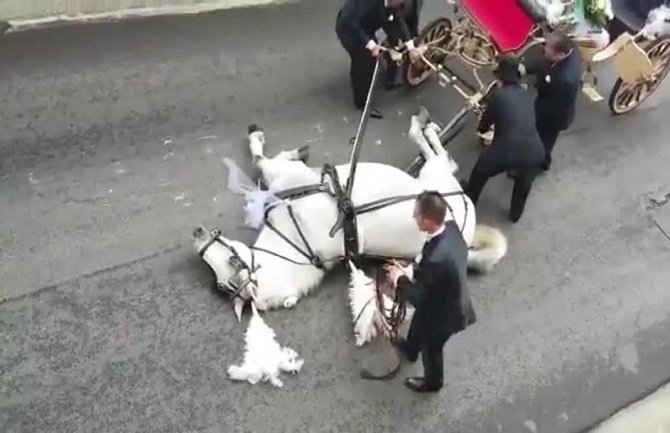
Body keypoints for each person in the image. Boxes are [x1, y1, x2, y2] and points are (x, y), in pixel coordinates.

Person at [385, 191, 476, 393]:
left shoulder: (437, 259)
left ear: (426, 221)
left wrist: (398, 278)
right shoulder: (450, 230)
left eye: (416, 215)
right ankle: (411, 349)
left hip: (444, 316)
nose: (413, 218)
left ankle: (433, 382)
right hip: (440, 299)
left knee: (432, 348)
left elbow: (417, 297)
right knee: (418, 324)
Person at [462, 54, 546, 223]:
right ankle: (516, 213)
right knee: (524, 182)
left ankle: (470, 200)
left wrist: (482, 129)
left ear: (499, 77)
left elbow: (485, 124)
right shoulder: (526, 95)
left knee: (481, 169)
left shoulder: (497, 96)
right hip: (535, 150)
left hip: (507, 150)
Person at [335, 0, 422, 119]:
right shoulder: (367, 3)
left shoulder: (394, 4)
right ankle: (361, 103)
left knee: (384, 46)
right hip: (349, 30)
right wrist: (371, 45)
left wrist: (411, 47)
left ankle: (385, 80)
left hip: (368, 24)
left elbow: (399, 18)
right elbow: (351, 23)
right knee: (363, 61)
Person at [521, 30, 582, 171]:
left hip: (553, 116)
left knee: (544, 141)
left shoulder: (564, 79)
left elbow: (551, 103)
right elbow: (544, 62)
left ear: (560, 55)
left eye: (548, 48)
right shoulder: (567, 51)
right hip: (548, 104)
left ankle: (539, 163)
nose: (544, 50)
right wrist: (525, 68)